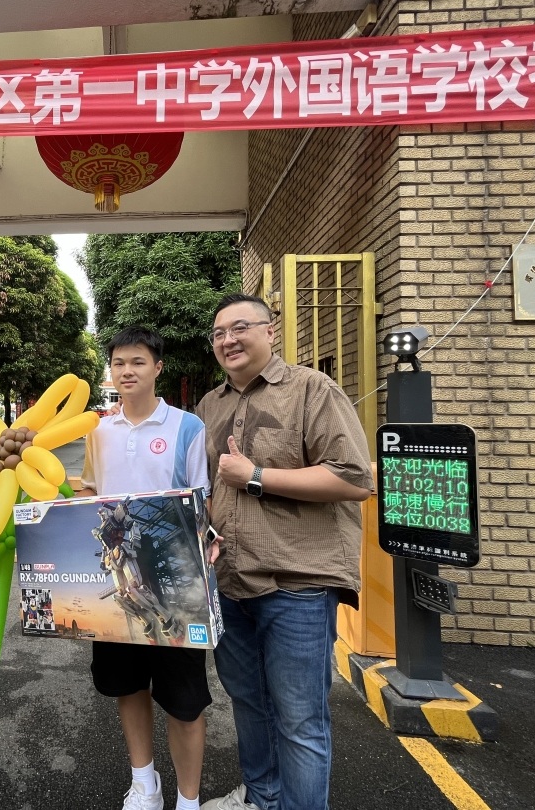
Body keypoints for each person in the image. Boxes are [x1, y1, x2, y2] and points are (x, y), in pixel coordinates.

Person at [195, 294, 373, 810]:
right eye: (219, 333)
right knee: (248, 702)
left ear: (270, 331)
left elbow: (354, 478)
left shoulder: (312, 390)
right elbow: (204, 487)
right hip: (230, 582)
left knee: (299, 718)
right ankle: (262, 797)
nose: (228, 340)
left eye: (240, 327)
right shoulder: (210, 405)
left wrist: (255, 475)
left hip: (298, 584)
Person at [78, 326, 215, 810]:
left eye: (137, 362)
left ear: (158, 367)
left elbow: (200, 500)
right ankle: (145, 784)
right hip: (117, 571)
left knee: (185, 701)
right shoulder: (96, 431)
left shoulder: (186, 427)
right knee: (128, 686)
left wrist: (206, 539)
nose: (127, 371)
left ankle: (188, 799)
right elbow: (90, 492)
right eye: (118, 363)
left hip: (174, 576)